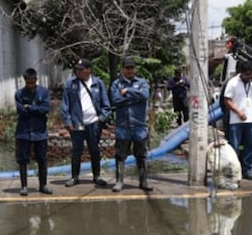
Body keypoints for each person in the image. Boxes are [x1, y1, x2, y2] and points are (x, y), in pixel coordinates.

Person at [60, 58, 111, 187]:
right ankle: (74, 177)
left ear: (88, 70)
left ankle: (97, 176)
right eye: (77, 69)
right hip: (77, 123)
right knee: (77, 150)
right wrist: (67, 121)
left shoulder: (98, 83)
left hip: (94, 123)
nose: (78, 71)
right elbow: (65, 105)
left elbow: (106, 105)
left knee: (94, 150)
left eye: (81, 69)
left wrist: (101, 118)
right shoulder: (71, 84)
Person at [109, 56, 154, 192]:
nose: (130, 71)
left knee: (141, 154)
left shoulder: (142, 83)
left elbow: (145, 95)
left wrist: (128, 91)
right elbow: (115, 99)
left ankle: (143, 181)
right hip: (123, 126)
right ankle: (119, 181)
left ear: (135, 69)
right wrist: (135, 98)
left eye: (132, 68)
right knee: (120, 155)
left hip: (139, 126)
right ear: (122, 69)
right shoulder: (116, 84)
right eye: (127, 68)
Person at [14, 67, 52, 196]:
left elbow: (45, 109)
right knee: (22, 160)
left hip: (39, 132)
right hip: (24, 132)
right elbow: (21, 111)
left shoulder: (44, 92)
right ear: (25, 81)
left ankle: (43, 185)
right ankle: (24, 186)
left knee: (42, 159)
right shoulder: (19, 94)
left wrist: (30, 107)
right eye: (28, 83)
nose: (30, 85)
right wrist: (36, 109)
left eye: (32, 82)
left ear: (36, 80)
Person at [223, 58, 252, 181]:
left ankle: (247, 169)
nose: (248, 76)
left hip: (250, 120)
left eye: (250, 74)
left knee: (250, 145)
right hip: (236, 121)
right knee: (234, 146)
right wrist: (238, 112)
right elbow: (227, 101)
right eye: (246, 74)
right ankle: (235, 170)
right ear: (241, 72)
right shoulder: (233, 83)